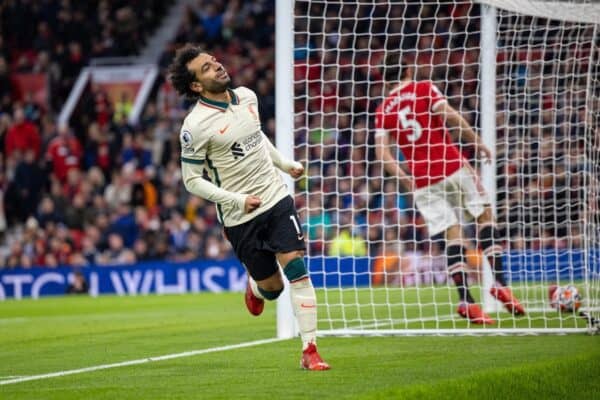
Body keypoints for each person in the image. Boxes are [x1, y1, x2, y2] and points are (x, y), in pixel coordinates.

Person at [168, 45, 330, 370]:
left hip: (275, 197)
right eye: (206, 68)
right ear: (196, 86)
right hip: (240, 215)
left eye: (214, 60)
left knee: (297, 268)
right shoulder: (195, 126)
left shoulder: (246, 96)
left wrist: (284, 163)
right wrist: (236, 199)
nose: (217, 66)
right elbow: (191, 180)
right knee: (273, 288)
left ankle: (310, 350)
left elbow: (257, 137)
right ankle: (256, 285)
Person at [374, 54, 525, 324]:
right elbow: (450, 115)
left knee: (453, 235)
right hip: (450, 164)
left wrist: (402, 175)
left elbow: (382, 153)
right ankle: (500, 282)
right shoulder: (423, 88)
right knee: (485, 216)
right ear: (408, 68)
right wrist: (476, 140)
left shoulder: (383, 110)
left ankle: (466, 299)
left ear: (385, 80)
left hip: (421, 180)